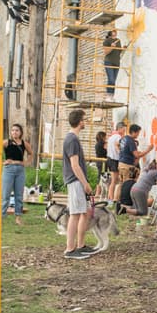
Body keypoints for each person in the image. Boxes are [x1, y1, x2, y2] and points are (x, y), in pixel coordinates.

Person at [62, 108, 93, 259]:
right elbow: (75, 165)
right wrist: (85, 183)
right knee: (75, 214)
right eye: (84, 119)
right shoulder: (72, 139)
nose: (85, 122)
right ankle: (70, 249)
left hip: (77, 181)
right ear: (80, 121)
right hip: (75, 181)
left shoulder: (73, 138)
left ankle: (80, 245)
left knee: (84, 212)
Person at [0, 123, 29, 225]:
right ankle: (2, 217)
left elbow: (31, 154)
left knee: (19, 195)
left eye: (17, 130)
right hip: (9, 169)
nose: (14, 132)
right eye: (12, 130)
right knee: (5, 194)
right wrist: (2, 162)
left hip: (20, 170)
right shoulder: (6, 142)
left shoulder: (24, 143)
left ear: (20, 132)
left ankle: (18, 218)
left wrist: (26, 162)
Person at [105, 122, 124, 204]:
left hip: (109, 159)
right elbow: (118, 148)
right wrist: (121, 153)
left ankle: (110, 198)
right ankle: (111, 199)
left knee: (113, 180)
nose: (124, 131)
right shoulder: (118, 137)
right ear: (119, 128)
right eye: (124, 129)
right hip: (115, 160)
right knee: (114, 180)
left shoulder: (111, 137)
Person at [103, 29, 124, 98]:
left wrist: (123, 49)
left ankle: (111, 96)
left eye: (115, 33)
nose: (115, 34)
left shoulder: (118, 40)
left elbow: (119, 52)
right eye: (113, 33)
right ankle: (109, 96)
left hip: (117, 63)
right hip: (109, 62)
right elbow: (106, 52)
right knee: (111, 79)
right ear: (110, 34)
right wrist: (111, 47)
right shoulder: (107, 41)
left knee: (113, 81)